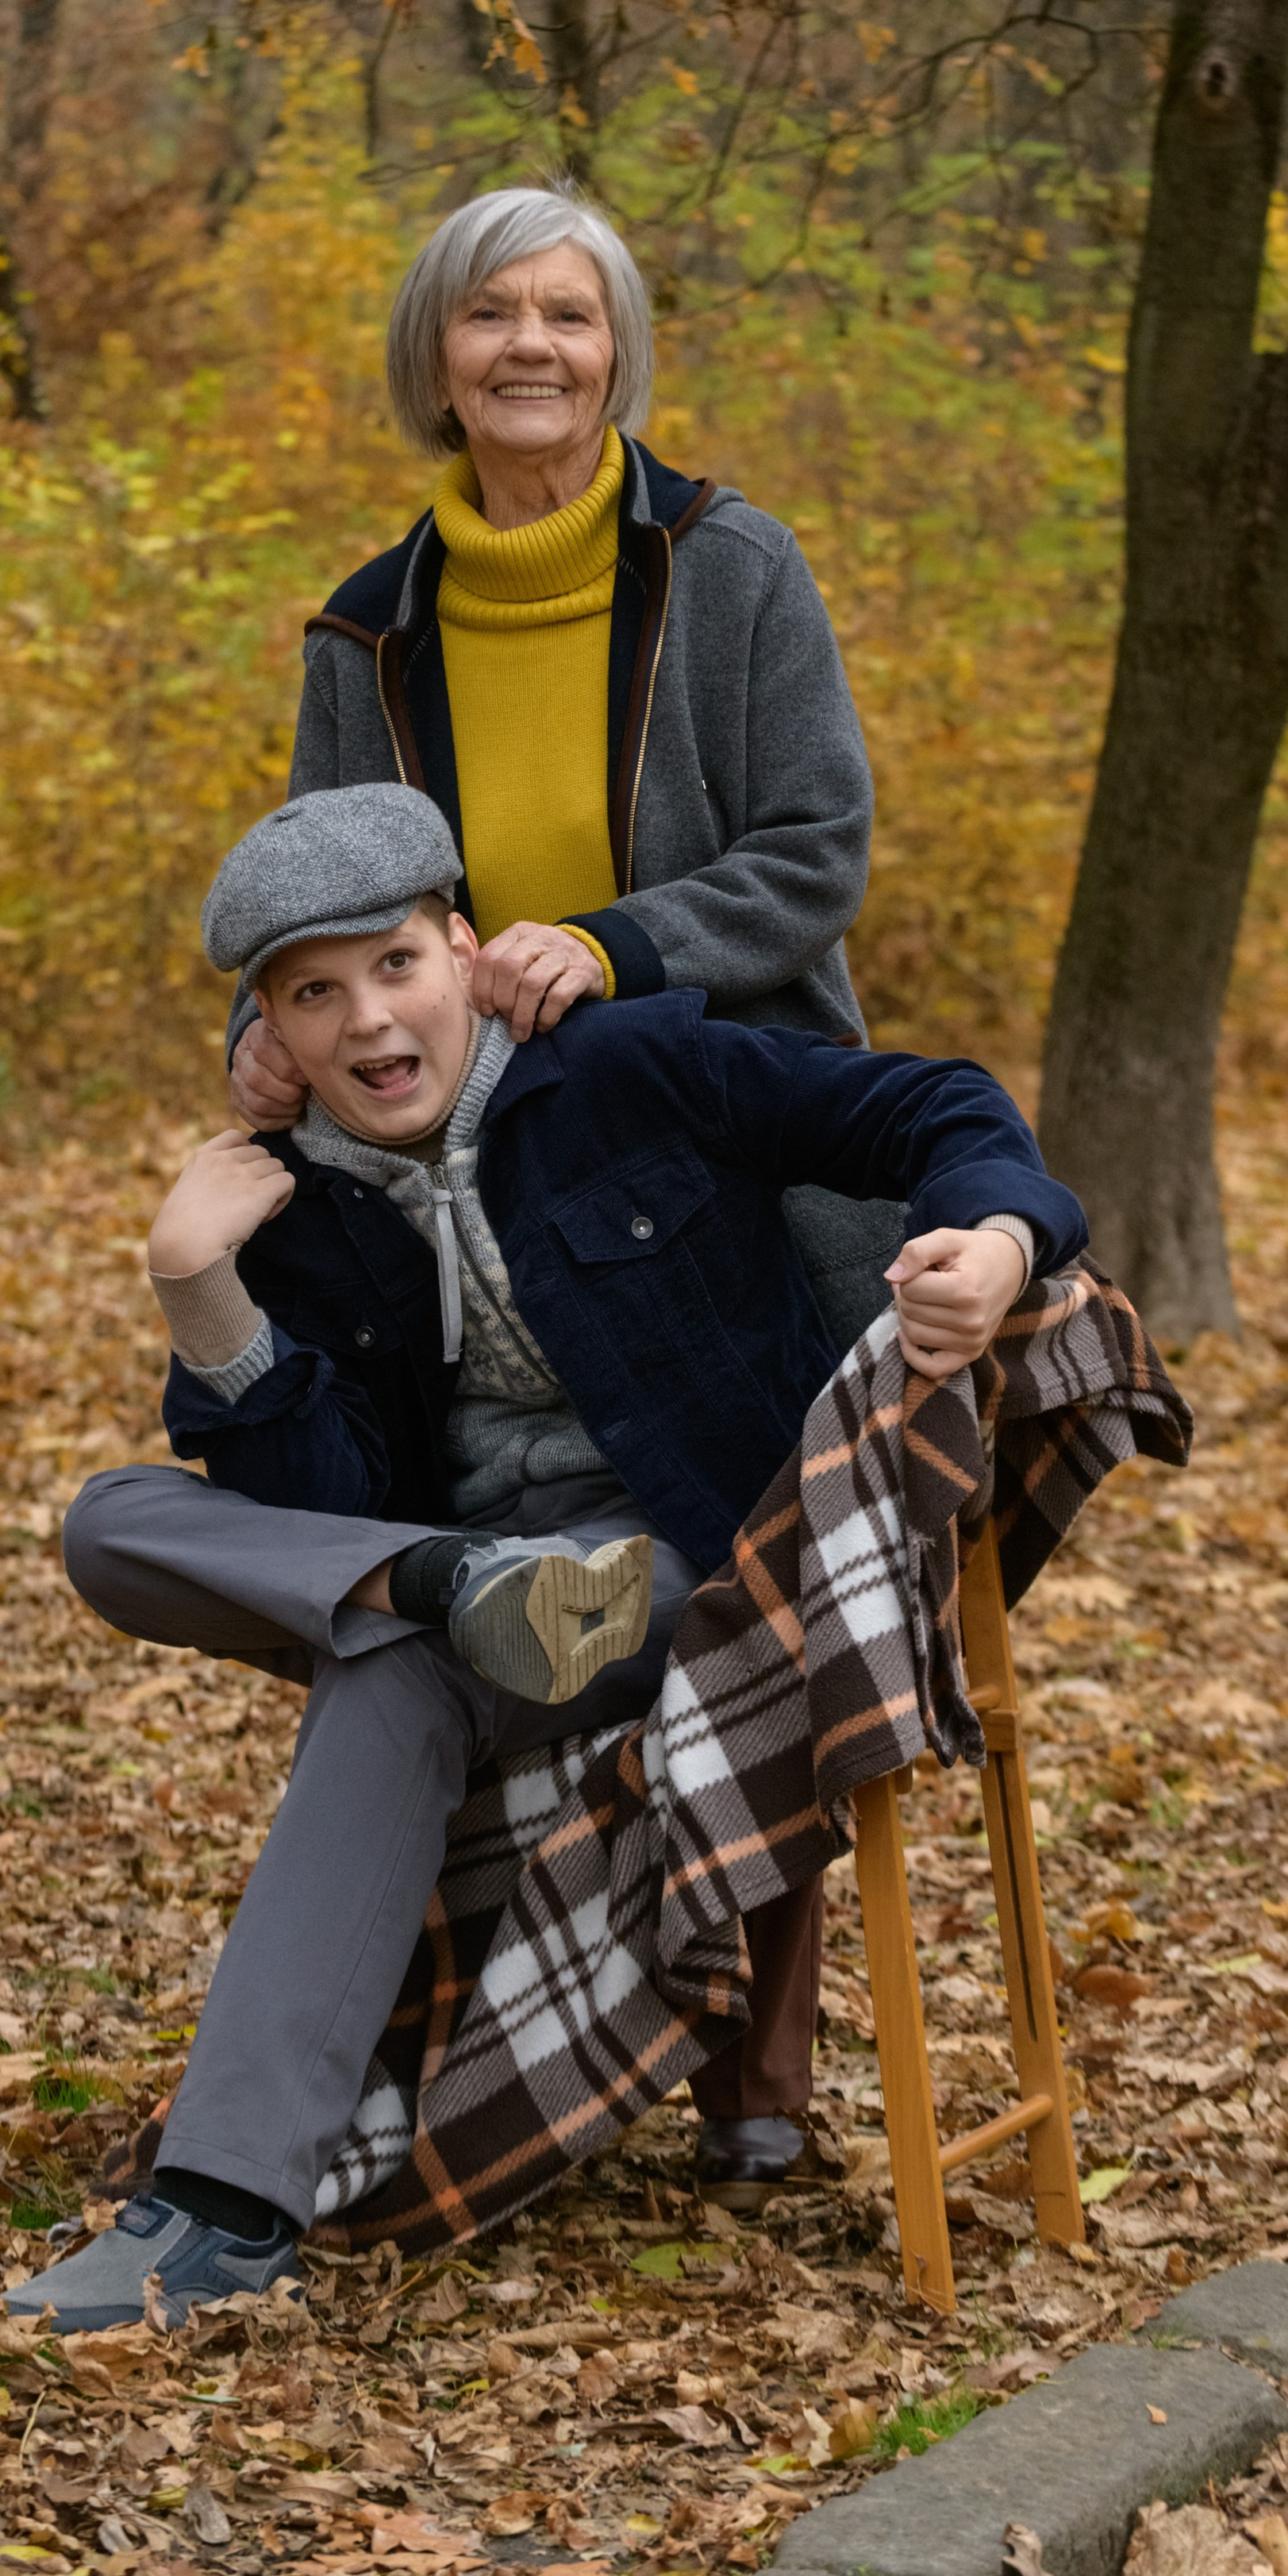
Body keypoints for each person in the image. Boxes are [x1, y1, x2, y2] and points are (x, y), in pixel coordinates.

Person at [9, 786, 1082, 2335]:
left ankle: (223, 2209)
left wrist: (992, 1240)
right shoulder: (294, 1211)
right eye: (314, 993)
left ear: (462, 950)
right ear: (272, 1035)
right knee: (116, 1522)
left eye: (392, 966)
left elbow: (932, 1110)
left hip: (672, 1571)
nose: (368, 1019)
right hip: (445, 1572)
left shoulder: (630, 1070)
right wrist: (200, 1291)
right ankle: (456, 1603)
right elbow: (321, 1499)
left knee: (391, 1659)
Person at [228, 183, 878, 2201]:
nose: (531, 347)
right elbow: (320, 889)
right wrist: (276, 1033)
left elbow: (814, 847)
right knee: (460, 1550)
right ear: (436, 355)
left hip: (709, 1135)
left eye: (569, 317)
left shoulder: (730, 566)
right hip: (454, 1165)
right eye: (491, 315)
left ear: (619, 355)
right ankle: (462, 2019)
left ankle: (752, 2060)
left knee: (733, 1546)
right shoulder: (368, 621)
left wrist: (609, 941)